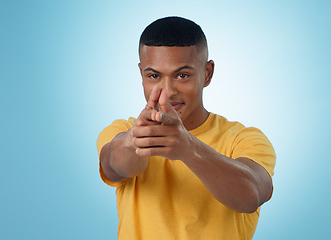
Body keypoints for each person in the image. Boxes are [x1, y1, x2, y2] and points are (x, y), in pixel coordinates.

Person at [96, 16, 276, 240]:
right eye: (154, 76)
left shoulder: (244, 138)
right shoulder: (122, 130)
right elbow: (114, 166)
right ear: (141, 74)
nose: (168, 90)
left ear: (207, 73)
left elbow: (251, 195)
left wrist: (188, 149)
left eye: (182, 75)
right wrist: (134, 141)